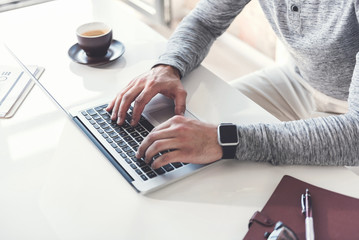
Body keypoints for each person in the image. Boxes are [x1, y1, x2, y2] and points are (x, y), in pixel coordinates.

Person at [106, 0, 359, 169]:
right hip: (297, 81)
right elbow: (206, 21)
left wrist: (225, 140)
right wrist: (168, 66)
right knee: (193, 125)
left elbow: (356, 135)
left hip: (350, 116)